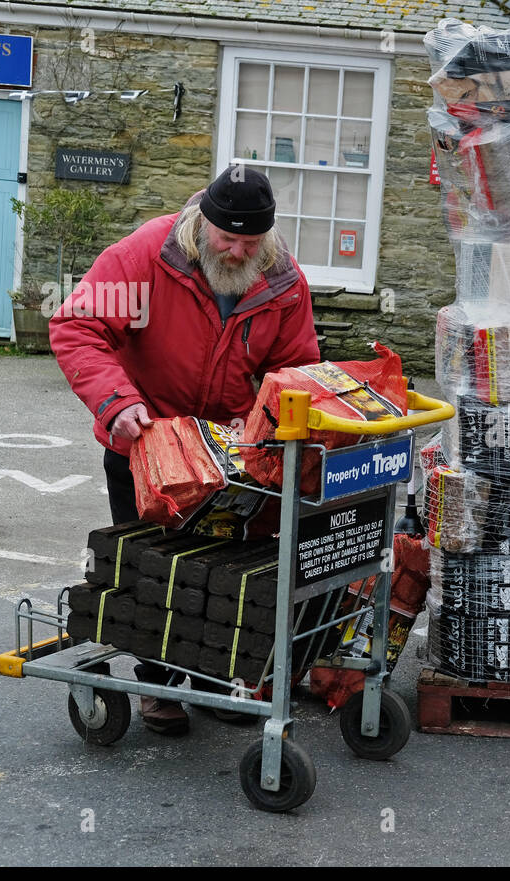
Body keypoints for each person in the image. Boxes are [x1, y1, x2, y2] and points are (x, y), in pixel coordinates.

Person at [50, 165, 321, 735]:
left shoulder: (281, 278)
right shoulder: (147, 253)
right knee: (153, 567)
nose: (236, 251)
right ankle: (159, 686)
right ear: (204, 221)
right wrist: (115, 402)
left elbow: (295, 368)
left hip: (225, 455)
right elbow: (77, 326)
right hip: (145, 441)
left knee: (224, 570)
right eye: (228, 238)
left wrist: (283, 431)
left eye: (250, 242)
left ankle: (217, 678)